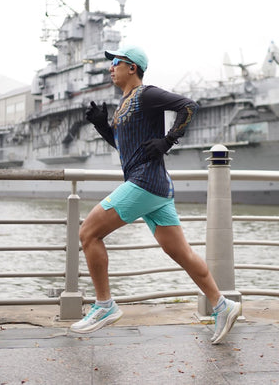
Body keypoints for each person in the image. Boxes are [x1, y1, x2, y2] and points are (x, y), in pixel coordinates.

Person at [70, 44, 242, 344]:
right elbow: (126, 149)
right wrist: (101, 125)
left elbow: (189, 105)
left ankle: (104, 306)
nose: (111, 68)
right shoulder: (125, 102)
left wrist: (168, 141)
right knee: (182, 254)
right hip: (156, 187)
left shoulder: (146, 94)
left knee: (88, 234)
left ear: (132, 68)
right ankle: (222, 305)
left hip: (144, 182)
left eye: (116, 64)